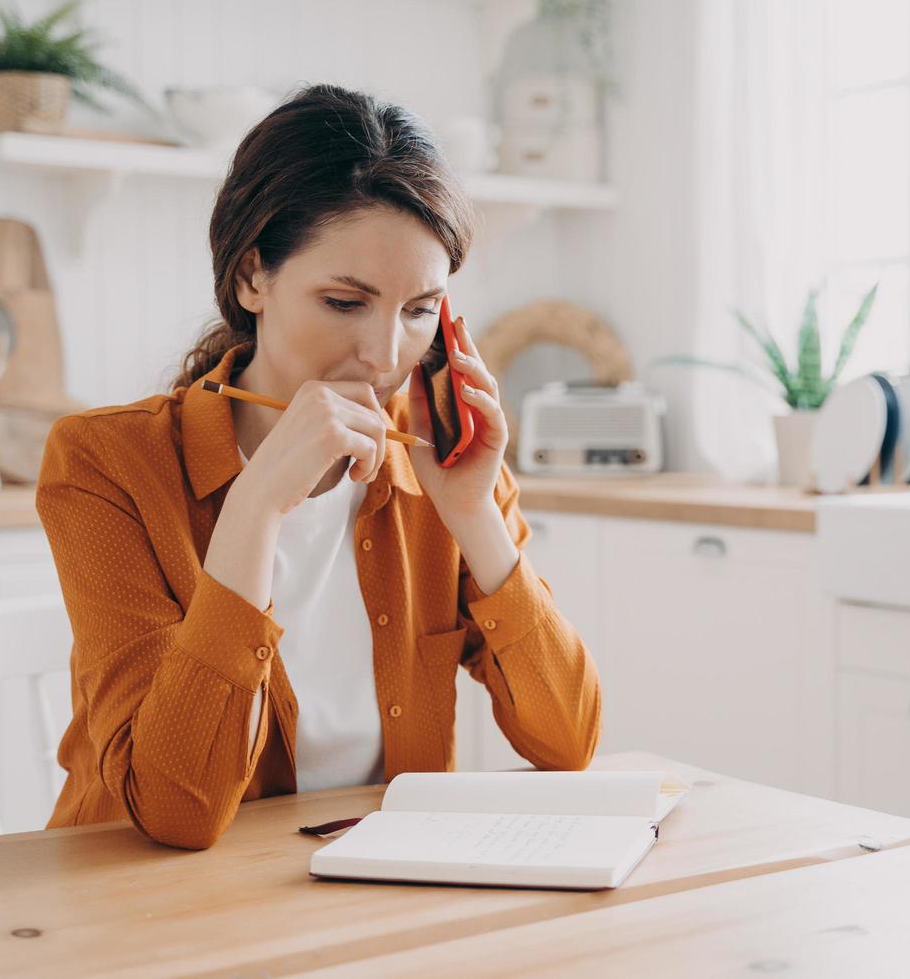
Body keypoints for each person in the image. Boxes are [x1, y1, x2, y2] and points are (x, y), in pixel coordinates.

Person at [35, 84, 602, 849]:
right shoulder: (106, 463)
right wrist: (258, 502)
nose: (385, 354)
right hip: (146, 908)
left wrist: (471, 514)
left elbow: (568, 741)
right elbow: (177, 810)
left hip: (369, 895)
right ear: (250, 279)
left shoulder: (446, 460)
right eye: (344, 302)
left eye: (419, 310)